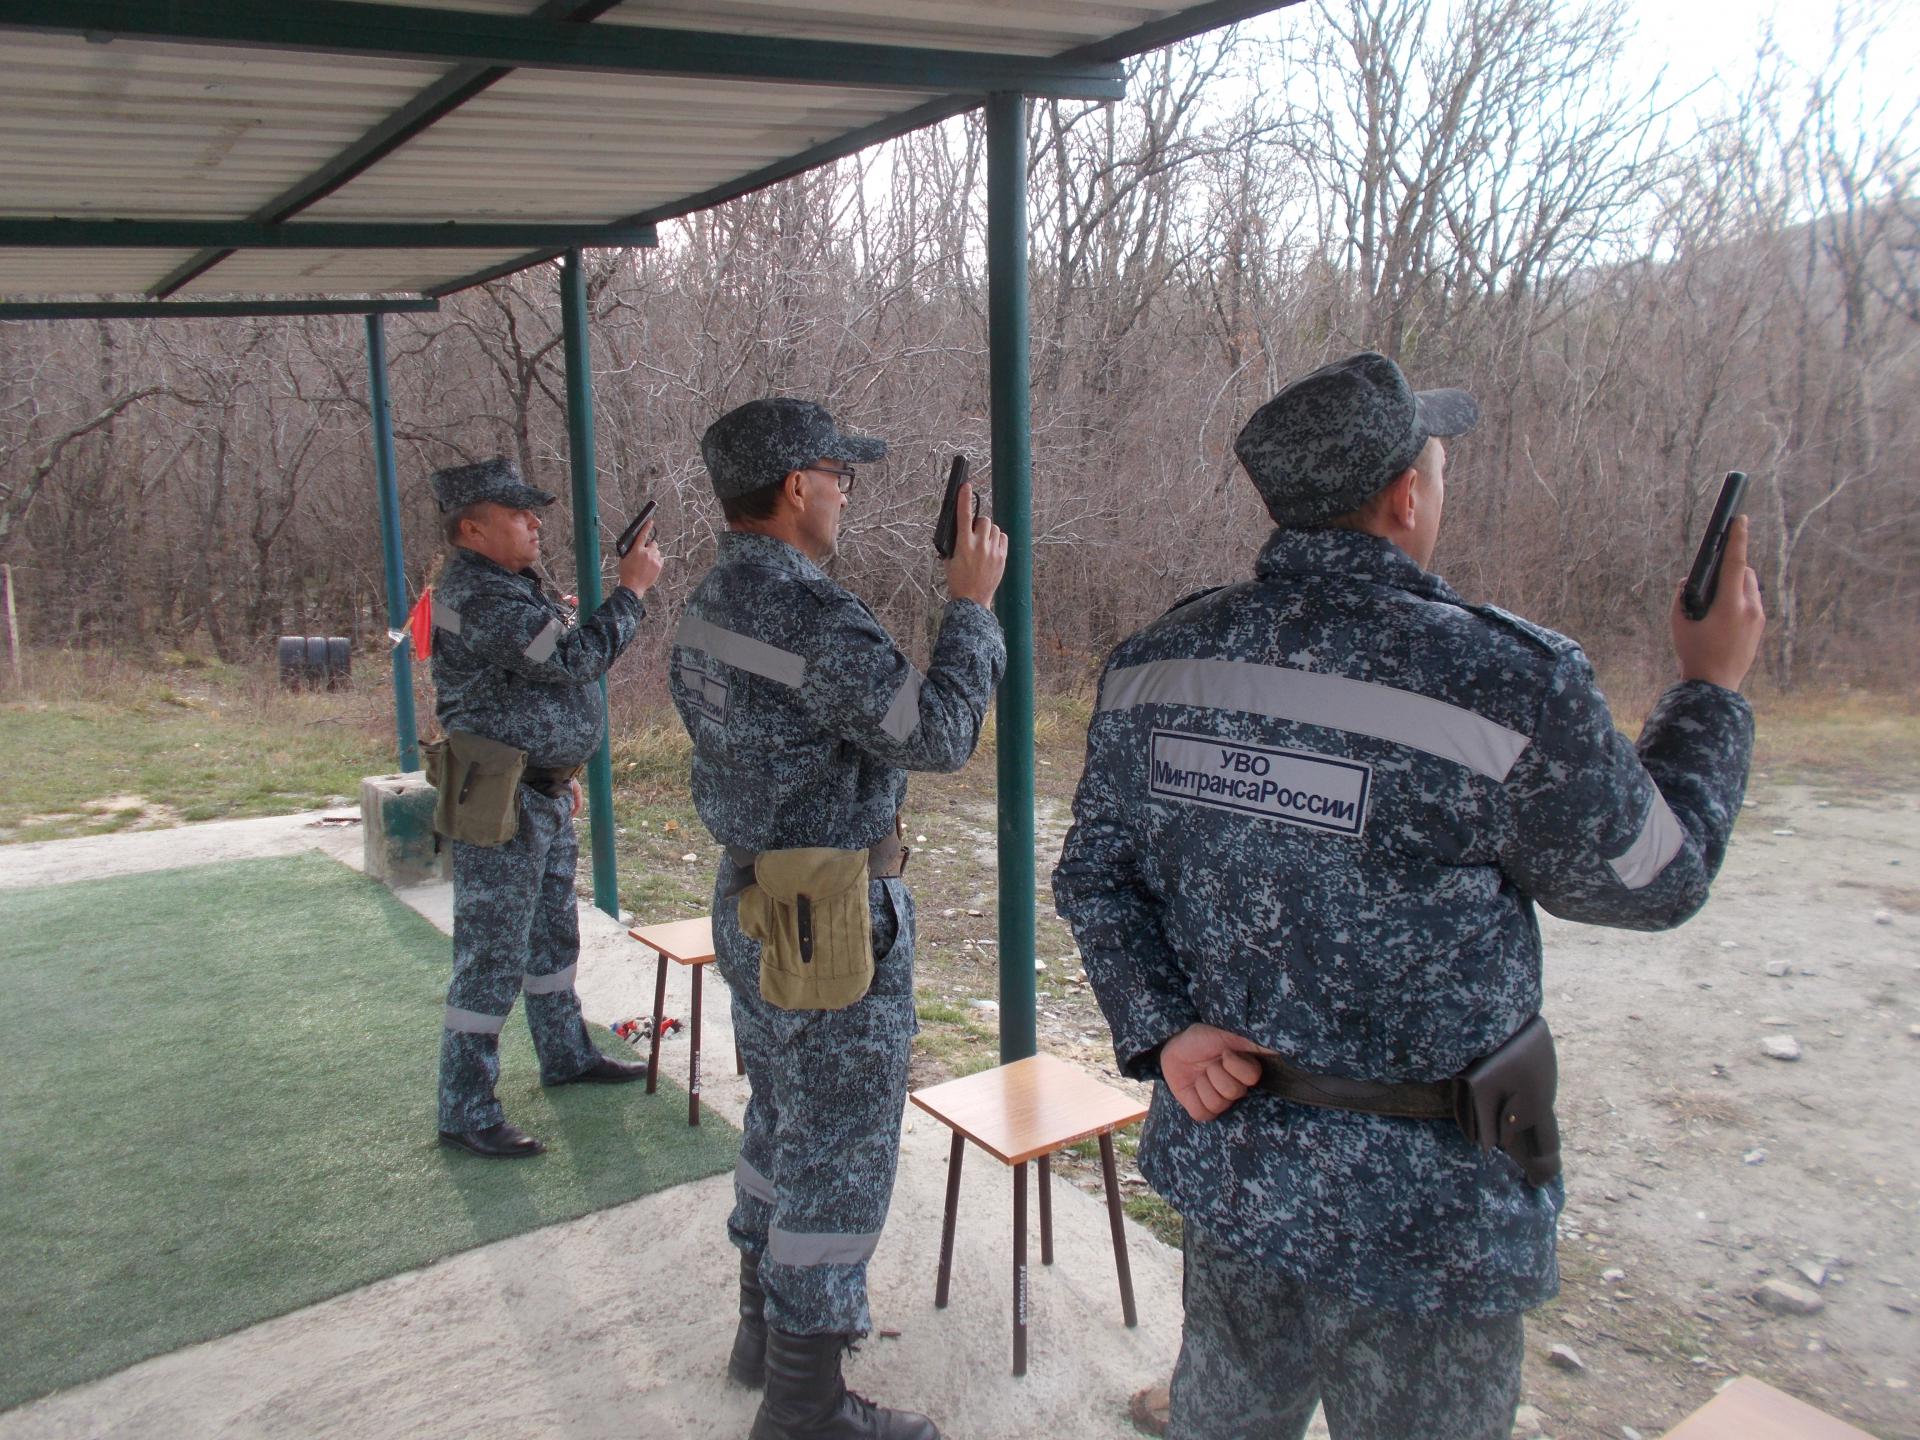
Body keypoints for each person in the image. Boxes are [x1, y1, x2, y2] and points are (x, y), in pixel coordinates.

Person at [1052, 352, 1765, 1440]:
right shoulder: (1506, 681)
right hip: (1430, 1225)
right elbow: (1657, 880)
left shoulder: (1161, 661)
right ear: (1404, 495)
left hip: (1237, 1175)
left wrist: (1163, 1028)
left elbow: (1096, 872)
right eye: (1438, 463)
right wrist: (1709, 690)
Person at [668, 398, 1007, 1440]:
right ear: (793, 488)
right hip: (829, 925)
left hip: (755, 902)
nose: (848, 488)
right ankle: (805, 1404)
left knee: (780, 1116)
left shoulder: (711, 599)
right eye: (837, 472)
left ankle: (762, 1334)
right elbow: (940, 733)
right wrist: (972, 605)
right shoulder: (809, 613)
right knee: (841, 1149)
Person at [428, 456, 664, 1159]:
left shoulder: (507, 586)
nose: (535, 523)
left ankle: (565, 1053)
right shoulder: (478, 598)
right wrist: (631, 593)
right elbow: (570, 660)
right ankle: (465, 1107)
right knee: (491, 958)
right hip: (504, 802)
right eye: (517, 513)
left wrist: (558, 768)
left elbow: (545, 671)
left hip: (539, 792)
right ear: (472, 528)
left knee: (550, 941)